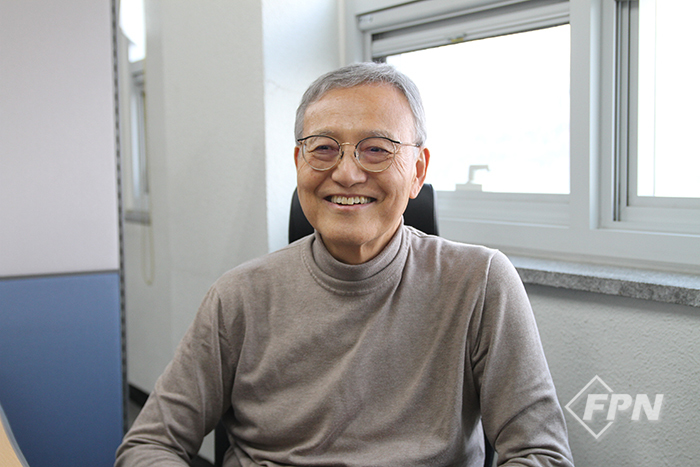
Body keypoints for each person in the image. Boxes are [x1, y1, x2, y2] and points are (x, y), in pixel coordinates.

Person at [116, 62, 574, 467]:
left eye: (376, 148)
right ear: (299, 163)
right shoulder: (239, 296)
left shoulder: (480, 283)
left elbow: (541, 453)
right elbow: (149, 444)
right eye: (323, 148)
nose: (347, 173)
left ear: (417, 171)